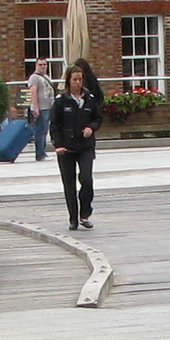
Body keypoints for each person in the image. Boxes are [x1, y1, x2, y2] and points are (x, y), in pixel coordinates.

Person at [50, 59, 102, 230]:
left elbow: (97, 118)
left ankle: (85, 213)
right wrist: (58, 145)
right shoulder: (61, 101)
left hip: (85, 146)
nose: (78, 83)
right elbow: (54, 125)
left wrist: (91, 128)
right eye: (75, 80)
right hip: (66, 147)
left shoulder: (89, 99)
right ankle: (73, 217)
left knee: (86, 179)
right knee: (69, 183)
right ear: (68, 81)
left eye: (80, 79)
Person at [25, 58, 56, 162]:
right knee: (40, 131)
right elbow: (33, 92)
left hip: (48, 107)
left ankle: (43, 152)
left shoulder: (46, 77)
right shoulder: (34, 77)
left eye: (45, 64)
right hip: (41, 108)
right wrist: (36, 107)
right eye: (40, 64)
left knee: (44, 130)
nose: (43, 66)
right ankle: (40, 154)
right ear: (36, 65)